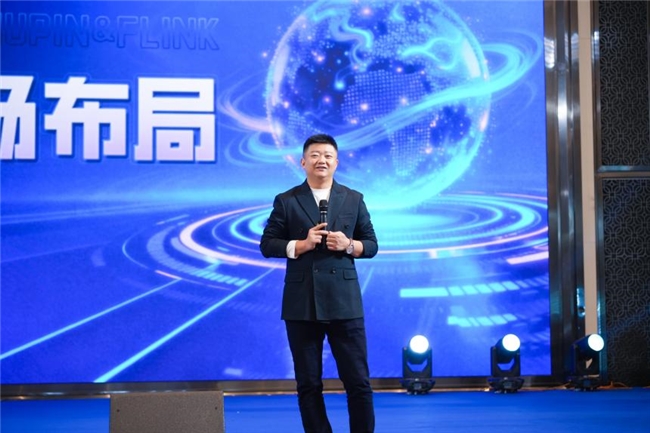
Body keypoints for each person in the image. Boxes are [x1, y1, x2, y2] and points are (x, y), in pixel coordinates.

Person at [260, 133, 378, 433]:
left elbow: (371, 245)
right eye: (314, 155)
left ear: (336, 162)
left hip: (344, 301)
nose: (321, 160)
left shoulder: (353, 198)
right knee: (308, 383)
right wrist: (300, 245)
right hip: (302, 303)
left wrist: (349, 245)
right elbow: (268, 244)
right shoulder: (287, 200)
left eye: (327, 155)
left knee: (358, 382)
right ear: (303, 162)